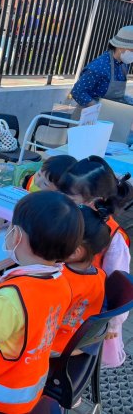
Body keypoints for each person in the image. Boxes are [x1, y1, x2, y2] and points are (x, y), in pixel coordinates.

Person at [0, 191, 83, 414]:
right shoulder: (59, 281)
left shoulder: (12, 298)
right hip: (26, 384)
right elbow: (21, 314)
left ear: (16, 236)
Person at [57, 155, 133, 368]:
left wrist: (111, 324)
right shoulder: (69, 217)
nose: (60, 199)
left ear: (95, 201)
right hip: (60, 297)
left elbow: (115, 291)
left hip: (79, 316)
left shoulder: (114, 238)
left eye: (68, 196)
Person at [51, 205, 110, 355]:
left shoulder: (58, 277)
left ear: (75, 252)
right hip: (77, 342)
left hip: (52, 346)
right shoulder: (101, 276)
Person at [0, 155, 77, 231]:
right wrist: (3, 216)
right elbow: (22, 204)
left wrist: (16, 222)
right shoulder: (30, 180)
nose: (37, 182)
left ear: (60, 193)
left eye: (45, 184)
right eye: (38, 174)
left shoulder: (59, 210)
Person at [71, 25, 133, 118]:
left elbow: (117, 96)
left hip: (111, 115)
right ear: (121, 47)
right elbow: (78, 91)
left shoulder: (123, 65)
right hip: (89, 118)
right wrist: (99, 108)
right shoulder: (99, 66)